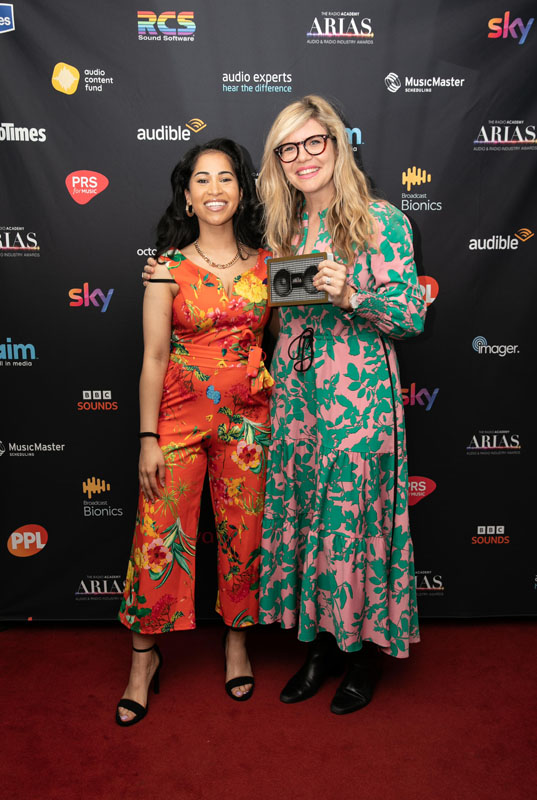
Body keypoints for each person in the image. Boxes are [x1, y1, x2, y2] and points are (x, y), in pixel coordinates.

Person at [255, 95, 426, 714]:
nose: (302, 157)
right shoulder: (284, 226)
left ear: (336, 143)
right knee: (310, 518)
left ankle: (363, 655)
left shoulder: (380, 220)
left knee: (353, 521)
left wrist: (352, 294)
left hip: (358, 400)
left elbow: (411, 317)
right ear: (278, 160)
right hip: (298, 397)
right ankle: (322, 646)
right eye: (288, 148)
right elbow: (279, 315)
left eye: (313, 142)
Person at [117, 138, 273, 726]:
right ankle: (143, 659)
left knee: (244, 536)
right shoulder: (166, 269)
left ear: (242, 191)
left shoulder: (270, 266)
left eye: (226, 177)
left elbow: (285, 341)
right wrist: (147, 439)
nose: (214, 189)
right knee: (156, 535)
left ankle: (237, 643)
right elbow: (154, 357)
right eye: (202, 179)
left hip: (250, 423)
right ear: (187, 196)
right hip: (177, 423)